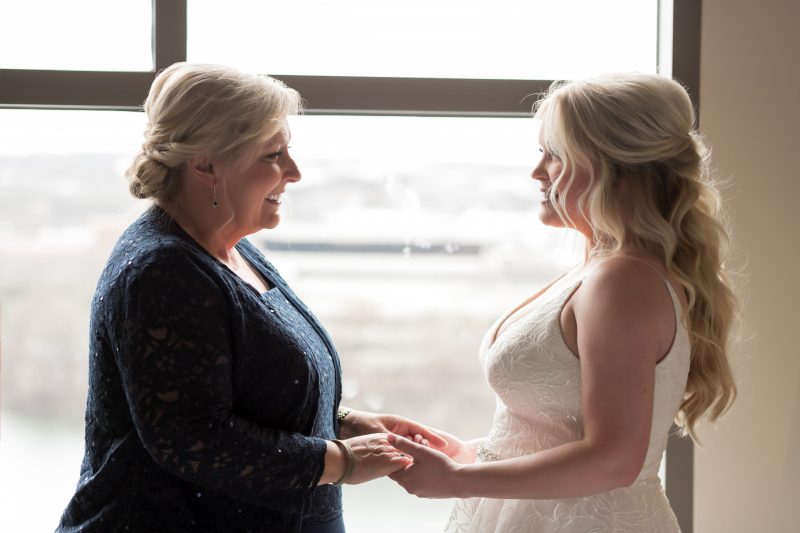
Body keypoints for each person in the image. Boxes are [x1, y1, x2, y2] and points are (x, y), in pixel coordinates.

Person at [56, 62, 446, 533]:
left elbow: (247, 389)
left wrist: (342, 422)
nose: (295, 172)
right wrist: (339, 460)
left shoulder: (230, 247)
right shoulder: (161, 272)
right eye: (273, 155)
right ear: (205, 164)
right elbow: (193, 438)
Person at [387, 73, 739, 532]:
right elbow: (555, 435)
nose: (538, 173)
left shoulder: (624, 281)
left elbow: (614, 459)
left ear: (611, 164)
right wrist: (467, 455)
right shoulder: (600, 270)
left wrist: (458, 480)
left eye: (553, 156)